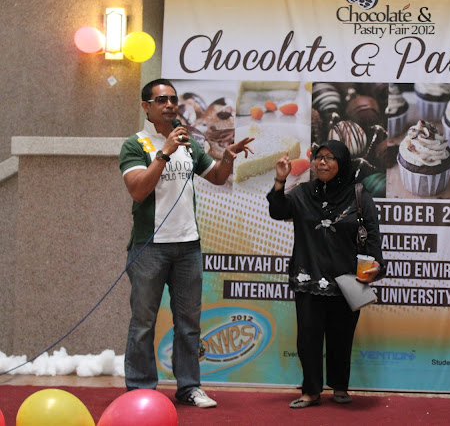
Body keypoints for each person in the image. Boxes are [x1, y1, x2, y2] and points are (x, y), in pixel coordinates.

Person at [119, 78, 253, 408]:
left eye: (173, 99)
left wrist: (228, 158)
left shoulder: (189, 143)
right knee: (143, 323)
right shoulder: (135, 145)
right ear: (146, 106)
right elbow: (138, 190)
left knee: (189, 324)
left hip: (188, 246)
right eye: (161, 100)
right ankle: (140, 390)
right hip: (150, 247)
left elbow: (217, 177)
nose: (169, 105)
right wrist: (164, 152)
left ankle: (189, 387)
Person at [267, 140, 385, 408]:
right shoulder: (302, 192)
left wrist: (377, 265)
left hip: (348, 279)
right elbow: (278, 211)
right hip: (309, 276)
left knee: (341, 338)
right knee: (308, 338)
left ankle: (340, 387)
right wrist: (280, 180)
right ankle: (310, 391)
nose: (322, 162)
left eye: (330, 158)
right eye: (319, 157)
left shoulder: (358, 194)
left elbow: (372, 233)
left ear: (342, 163)